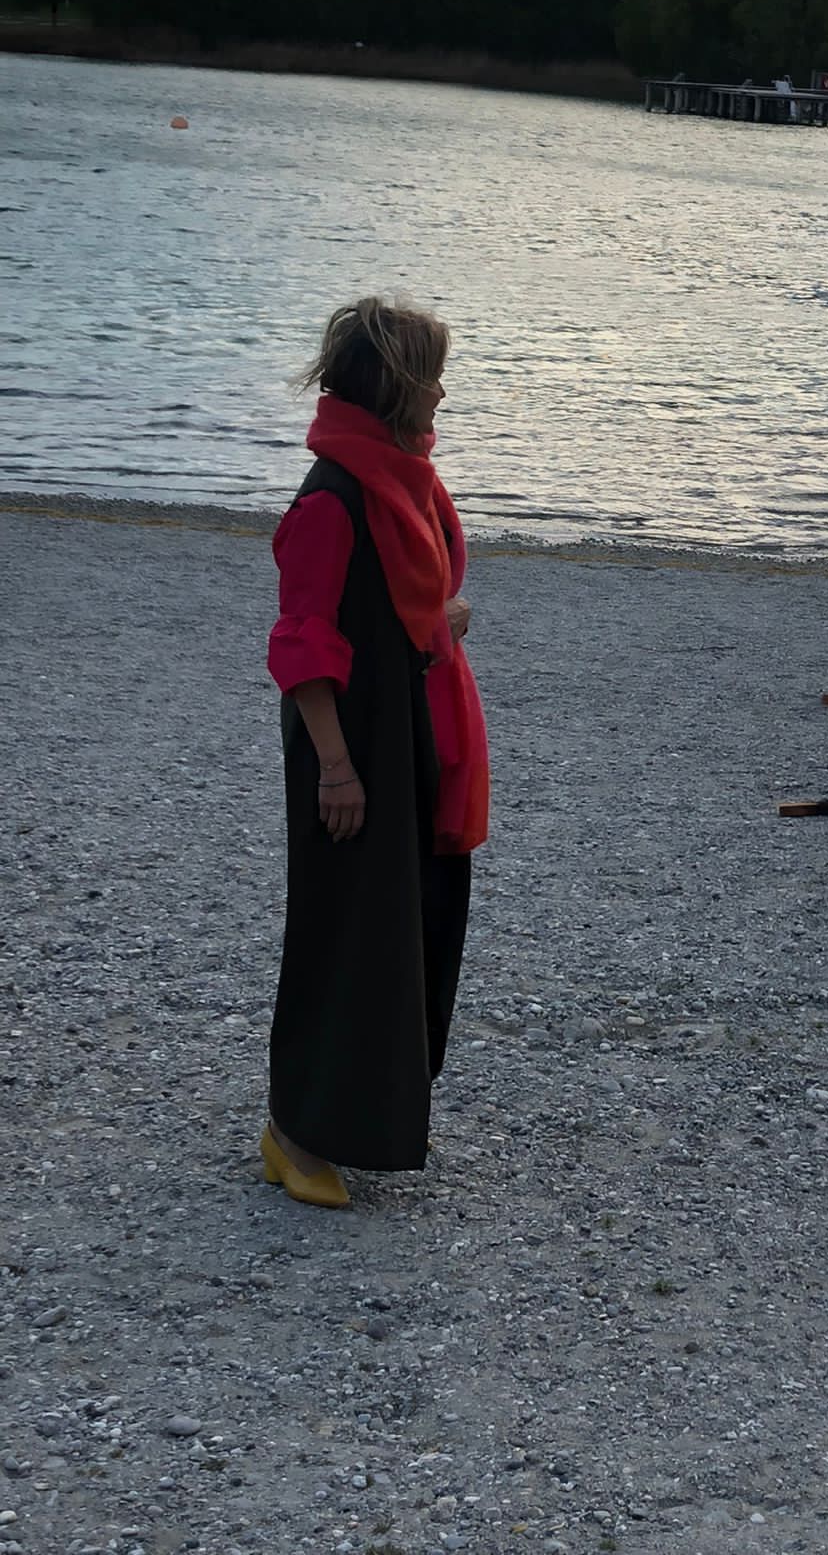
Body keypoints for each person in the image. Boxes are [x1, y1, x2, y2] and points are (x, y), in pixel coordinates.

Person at [262, 298, 490, 1208]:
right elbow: (302, 642)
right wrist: (337, 768)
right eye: (431, 375)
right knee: (343, 931)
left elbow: (403, 612)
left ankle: (364, 1114)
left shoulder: (407, 478)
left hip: (412, 727)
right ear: (396, 386)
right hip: (350, 745)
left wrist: (436, 628)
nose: (441, 392)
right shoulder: (333, 497)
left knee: (411, 921)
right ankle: (293, 1134)